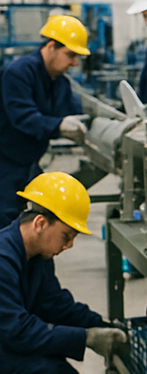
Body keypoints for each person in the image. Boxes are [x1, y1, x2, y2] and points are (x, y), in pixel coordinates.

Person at [0, 172, 127, 374]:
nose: (69, 246)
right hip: (6, 340)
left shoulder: (36, 256)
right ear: (40, 223)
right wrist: (86, 339)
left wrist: (102, 326)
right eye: (66, 236)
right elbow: (18, 332)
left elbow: (55, 304)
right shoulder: (3, 259)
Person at [0, 14, 91, 226]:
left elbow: (74, 110)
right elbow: (24, 118)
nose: (74, 62)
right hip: (5, 163)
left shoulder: (59, 82)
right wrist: (59, 126)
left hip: (28, 163)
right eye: (70, 55)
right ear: (51, 47)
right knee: (5, 219)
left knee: (31, 219)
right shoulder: (20, 72)